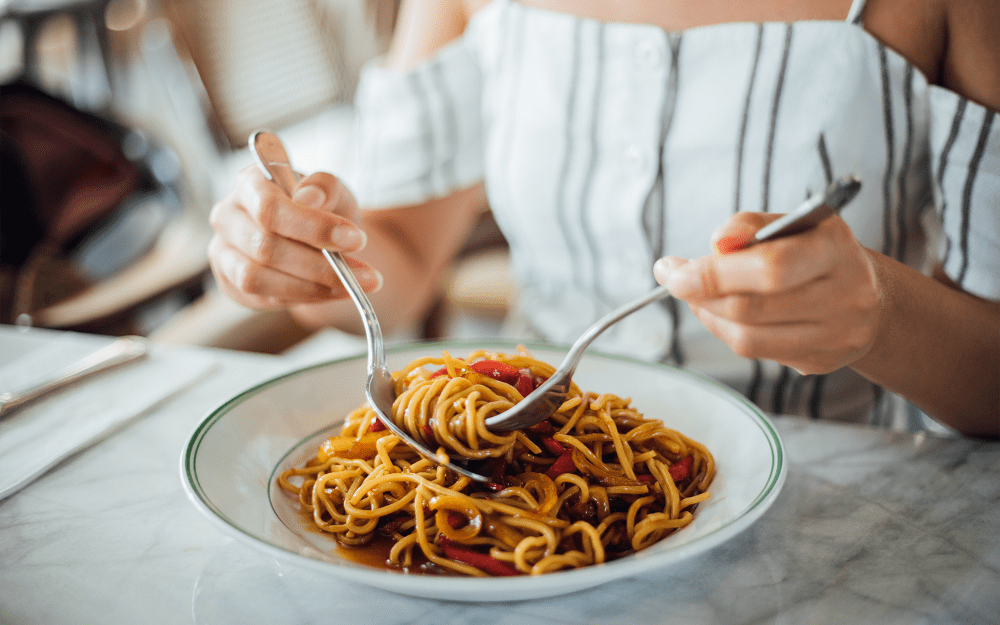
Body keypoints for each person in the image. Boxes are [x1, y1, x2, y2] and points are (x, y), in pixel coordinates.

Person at [206, 0, 999, 437]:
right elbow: (404, 261)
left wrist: (878, 315)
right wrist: (305, 254)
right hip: (523, 479)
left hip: (853, 521)